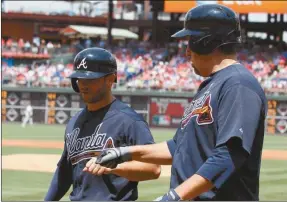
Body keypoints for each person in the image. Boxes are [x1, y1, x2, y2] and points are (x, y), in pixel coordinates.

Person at [90, 4, 268, 201]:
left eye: (189, 41)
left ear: (205, 42)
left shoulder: (238, 84)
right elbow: (178, 147)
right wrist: (123, 153)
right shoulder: (211, 85)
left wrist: (174, 196)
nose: (186, 51)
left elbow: (229, 155)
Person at [44, 47, 161, 201]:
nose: (83, 84)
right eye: (80, 78)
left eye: (90, 79)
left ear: (110, 79)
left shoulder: (130, 121)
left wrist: (114, 166)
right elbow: (64, 173)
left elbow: (153, 169)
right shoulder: (75, 121)